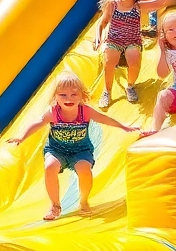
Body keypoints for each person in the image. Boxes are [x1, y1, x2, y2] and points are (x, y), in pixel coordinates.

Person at [9, 72, 143, 220]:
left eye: (74, 94)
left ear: (81, 95)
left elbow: (104, 118)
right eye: (63, 95)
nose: (69, 99)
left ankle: (84, 200)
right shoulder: (53, 113)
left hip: (81, 150)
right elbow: (38, 123)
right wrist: (21, 137)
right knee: (50, 167)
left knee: (84, 170)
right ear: (55, 97)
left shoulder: (85, 111)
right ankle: (55, 205)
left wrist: (124, 126)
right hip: (56, 149)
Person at [93, 0, 145, 108]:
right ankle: (107, 90)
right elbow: (102, 22)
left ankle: (130, 86)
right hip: (114, 39)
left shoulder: (138, 6)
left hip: (132, 40)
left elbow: (157, 3)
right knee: (109, 60)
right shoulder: (112, 4)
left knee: (133, 58)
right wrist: (98, 38)